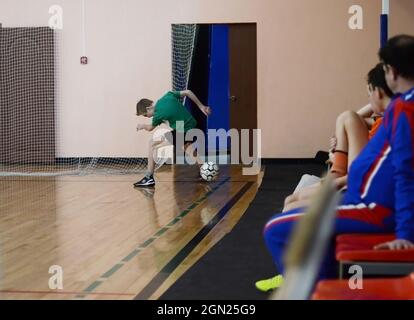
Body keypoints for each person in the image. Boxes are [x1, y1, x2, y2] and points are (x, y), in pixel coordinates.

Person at [258, 35, 414, 293]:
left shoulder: (406, 111)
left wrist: (406, 235)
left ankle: (314, 291)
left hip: (374, 208)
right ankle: (327, 289)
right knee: (301, 229)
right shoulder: (401, 104)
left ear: (392, 72)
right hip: (361, 199)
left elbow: (406, 174)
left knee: (275, 229)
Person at [283, 63, 394, 213]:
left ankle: (337, 173)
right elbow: (352, 118)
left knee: (290, 205)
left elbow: (352, 118)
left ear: (379, 93)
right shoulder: (383, 119)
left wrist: (339, 179)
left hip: (359, 185)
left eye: (369, 93)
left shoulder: (392, 123)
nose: (368, 98)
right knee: (290, 200)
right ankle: (337, 171)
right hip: (355, 176)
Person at [134, 90, 211, 187]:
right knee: (186, 146)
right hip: (190, 124)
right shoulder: (167, 96)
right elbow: (188, 92)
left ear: (149, 108)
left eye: (145, 114)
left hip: (183, 129)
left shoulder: (158, 114)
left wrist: (142, 126)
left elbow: (150, 128)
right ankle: (204, 169)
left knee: (152, 144)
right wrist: (201, 106)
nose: (146, 117)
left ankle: (149, 177)